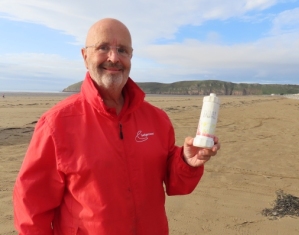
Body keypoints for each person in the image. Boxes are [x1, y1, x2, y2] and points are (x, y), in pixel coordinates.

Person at [13, 18, 220, 235]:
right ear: (85, 56)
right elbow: (31, 206)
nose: (114, 58)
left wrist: (187, 162)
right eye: (103, 48)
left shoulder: (157, 120)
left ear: (131, 57)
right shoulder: (56, 124)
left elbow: (177, 184)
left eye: (122, 50)